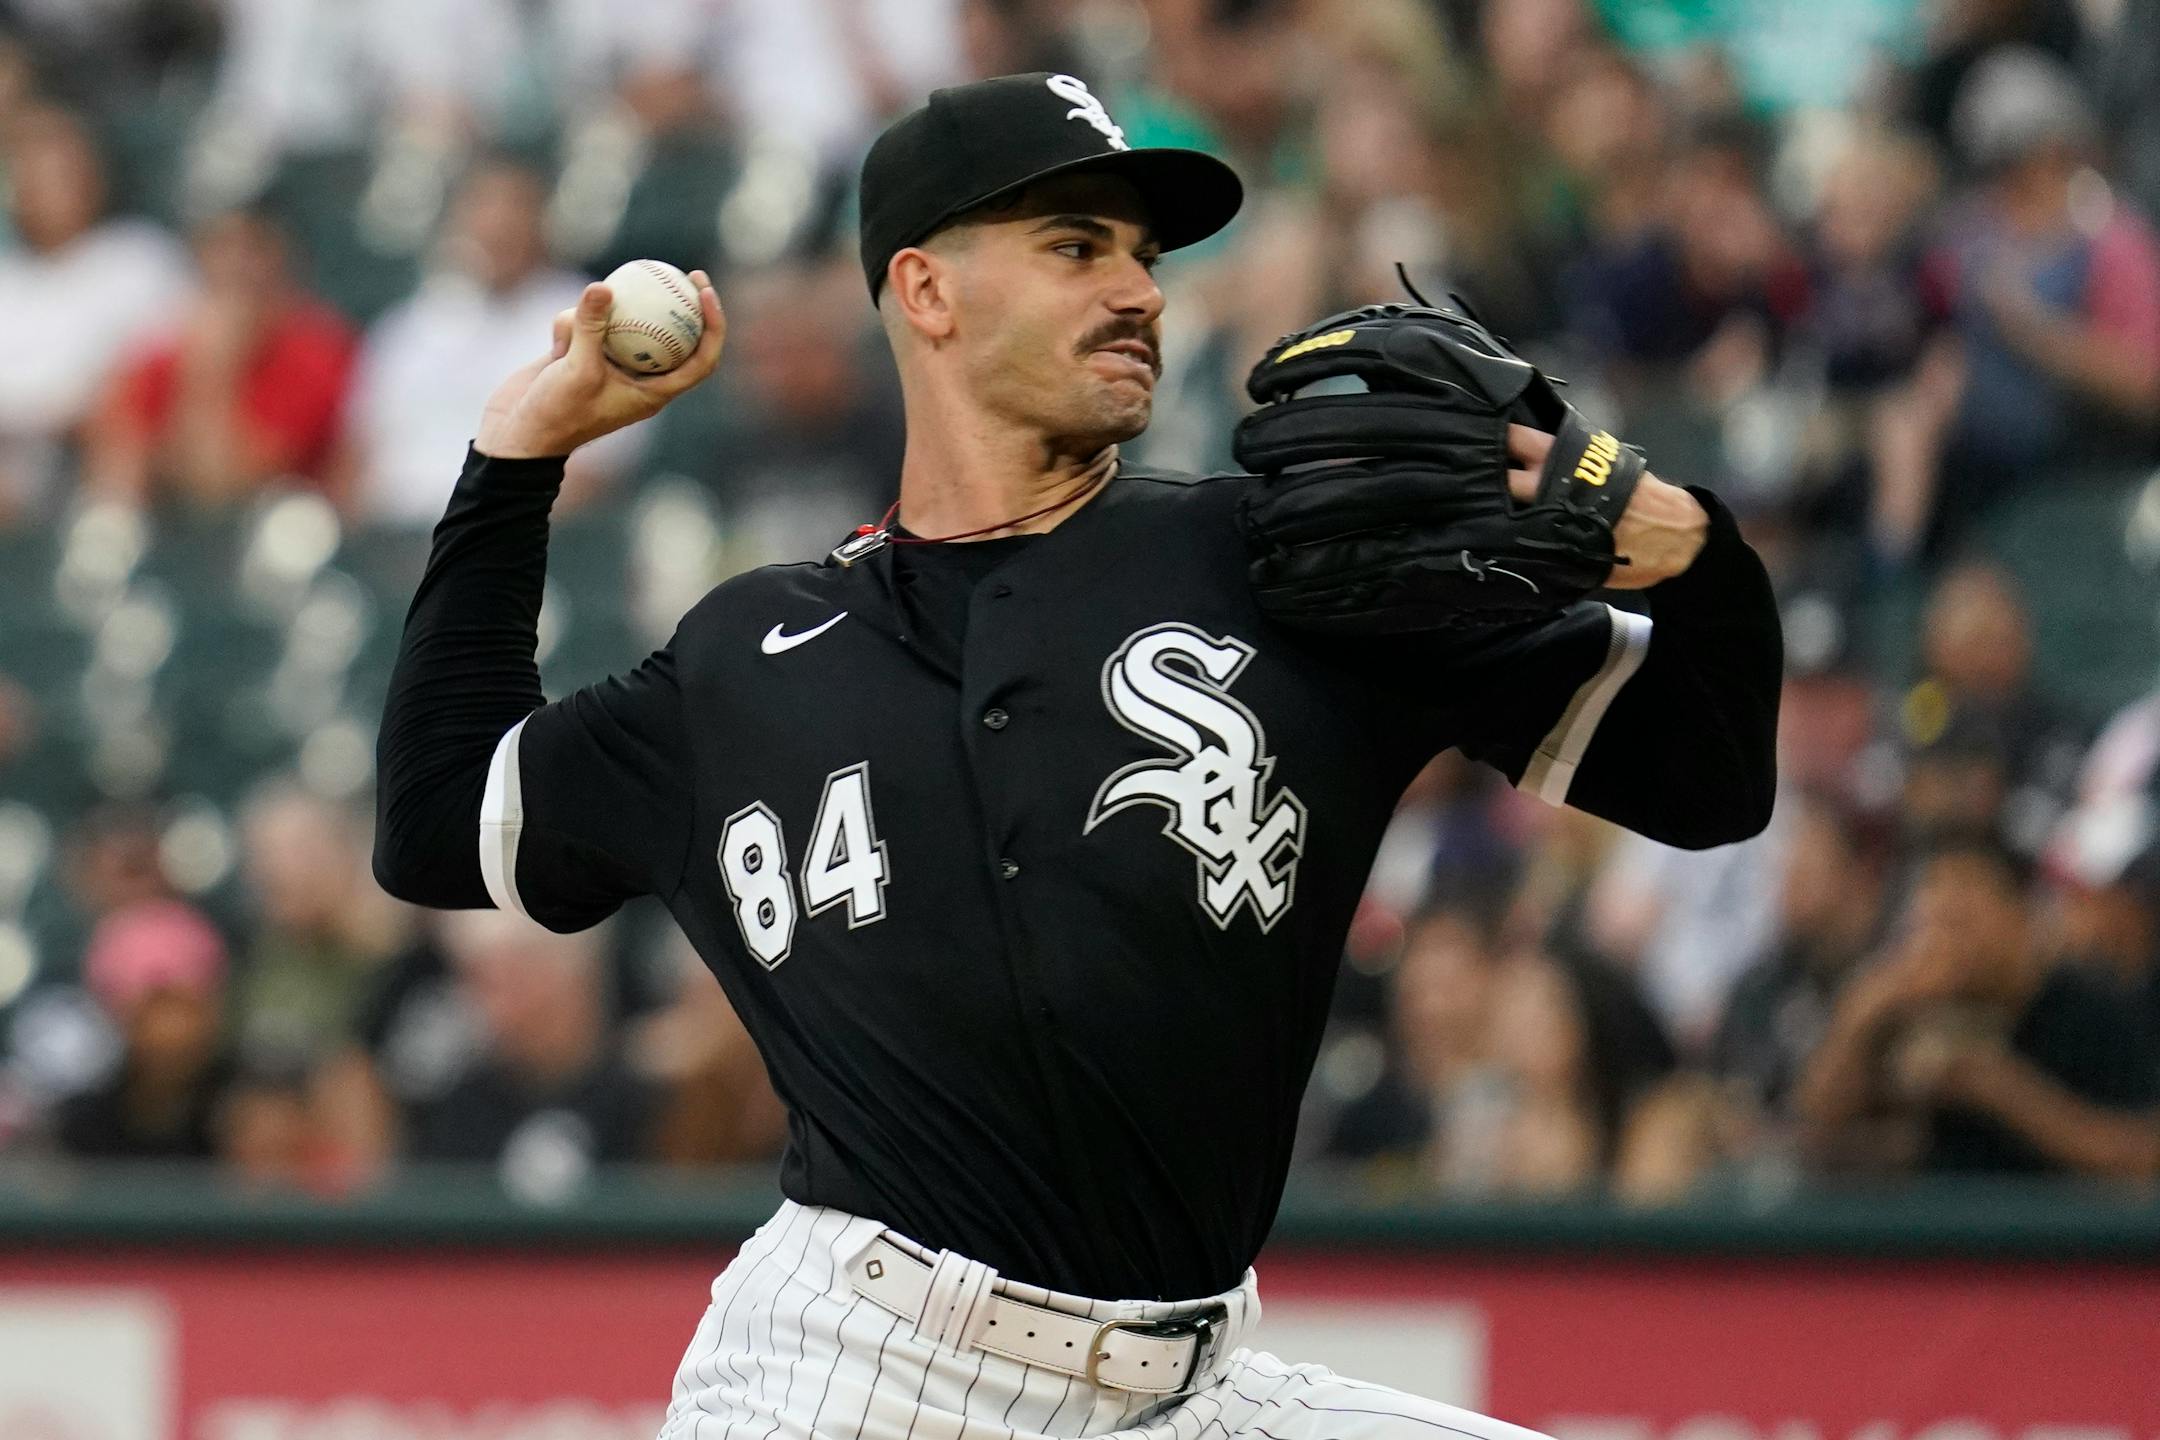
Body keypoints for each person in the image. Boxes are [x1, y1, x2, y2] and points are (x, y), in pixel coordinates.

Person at [373, 73, 1778, 1440]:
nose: (1140, 291)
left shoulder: (1286, 568)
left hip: (1190, 1386)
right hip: (857, 1375)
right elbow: (440, 821)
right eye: (1074, 246)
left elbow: (1706, 783)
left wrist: (1680, 543)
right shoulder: (746, 658)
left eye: (1145, 255)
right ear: (925, 291)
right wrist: (516, 459)